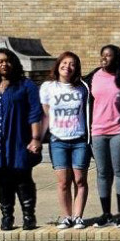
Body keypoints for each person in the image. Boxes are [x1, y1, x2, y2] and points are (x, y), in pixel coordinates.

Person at [0, 48, 43, 231]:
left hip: (19, 140)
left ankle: (29, 216)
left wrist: (36, 138)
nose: (4, 64)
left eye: (8, 61)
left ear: (14, 63)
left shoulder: (26, 86)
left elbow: (35, 113)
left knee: (23, 177)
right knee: (3, 179)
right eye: (0, 61)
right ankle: (7, 217)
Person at [40, 52, 91, 230]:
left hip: (80, 140)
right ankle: (66, 216)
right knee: (62, 182)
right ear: (58, 64)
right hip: (58, 140)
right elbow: (45, 114)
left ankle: (78, 216)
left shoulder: (82, 87)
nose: (68, 67)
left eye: (72, 64)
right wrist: (38, 138)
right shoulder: (48, 87)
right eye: (64, 63)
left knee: (80, 180)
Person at [84, 44, 120, 228]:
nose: (104, 58)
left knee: (119, 171)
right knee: (102, 173)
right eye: (102, 55)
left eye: (108, 56)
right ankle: (106, 214)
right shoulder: (92, 77)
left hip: (118, 132)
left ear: (116, 58)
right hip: (97, 132)